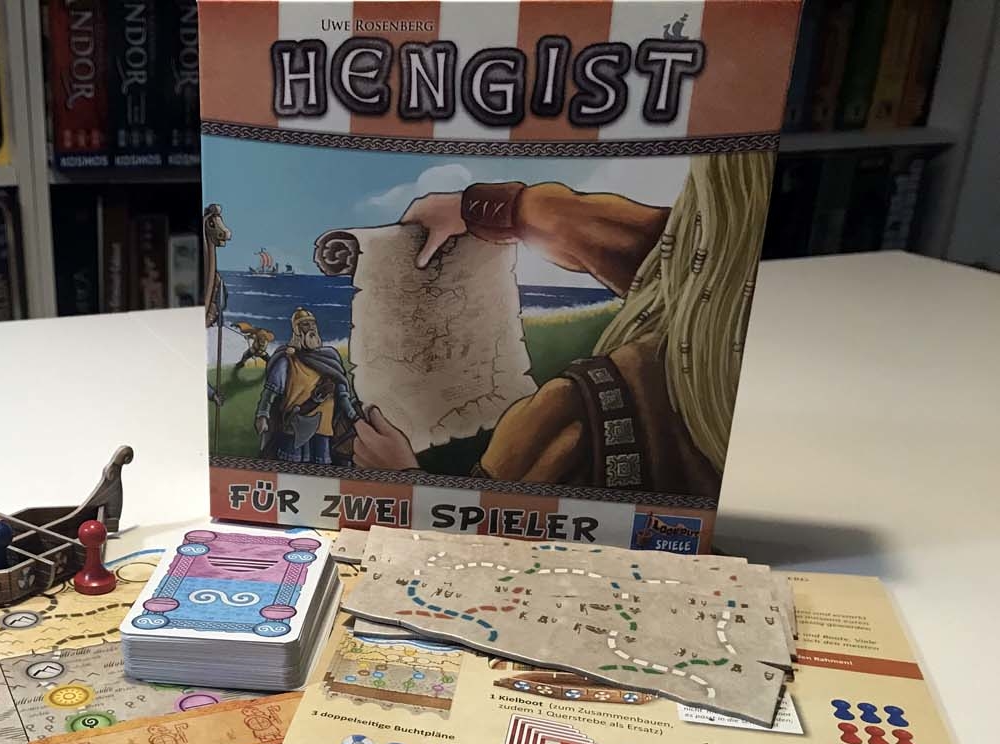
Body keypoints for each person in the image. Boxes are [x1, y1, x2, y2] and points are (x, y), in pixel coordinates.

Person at [353, 152, 771, 496]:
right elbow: (670, 243)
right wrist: (489, 207)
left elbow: (483, 533)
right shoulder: (739, 298)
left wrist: (404, 479)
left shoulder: (575, 410)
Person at [256, 307, 361, 464]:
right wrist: (262, 415)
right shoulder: (287, 360)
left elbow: (342, 394)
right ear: (297, 330)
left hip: (324, 430)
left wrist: (353, 416)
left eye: (313, 324)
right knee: (291, 469)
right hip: (294, 428)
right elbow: (270, 391)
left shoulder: (330, 357)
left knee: (322, 470)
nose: (311, 328)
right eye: (305, 324)